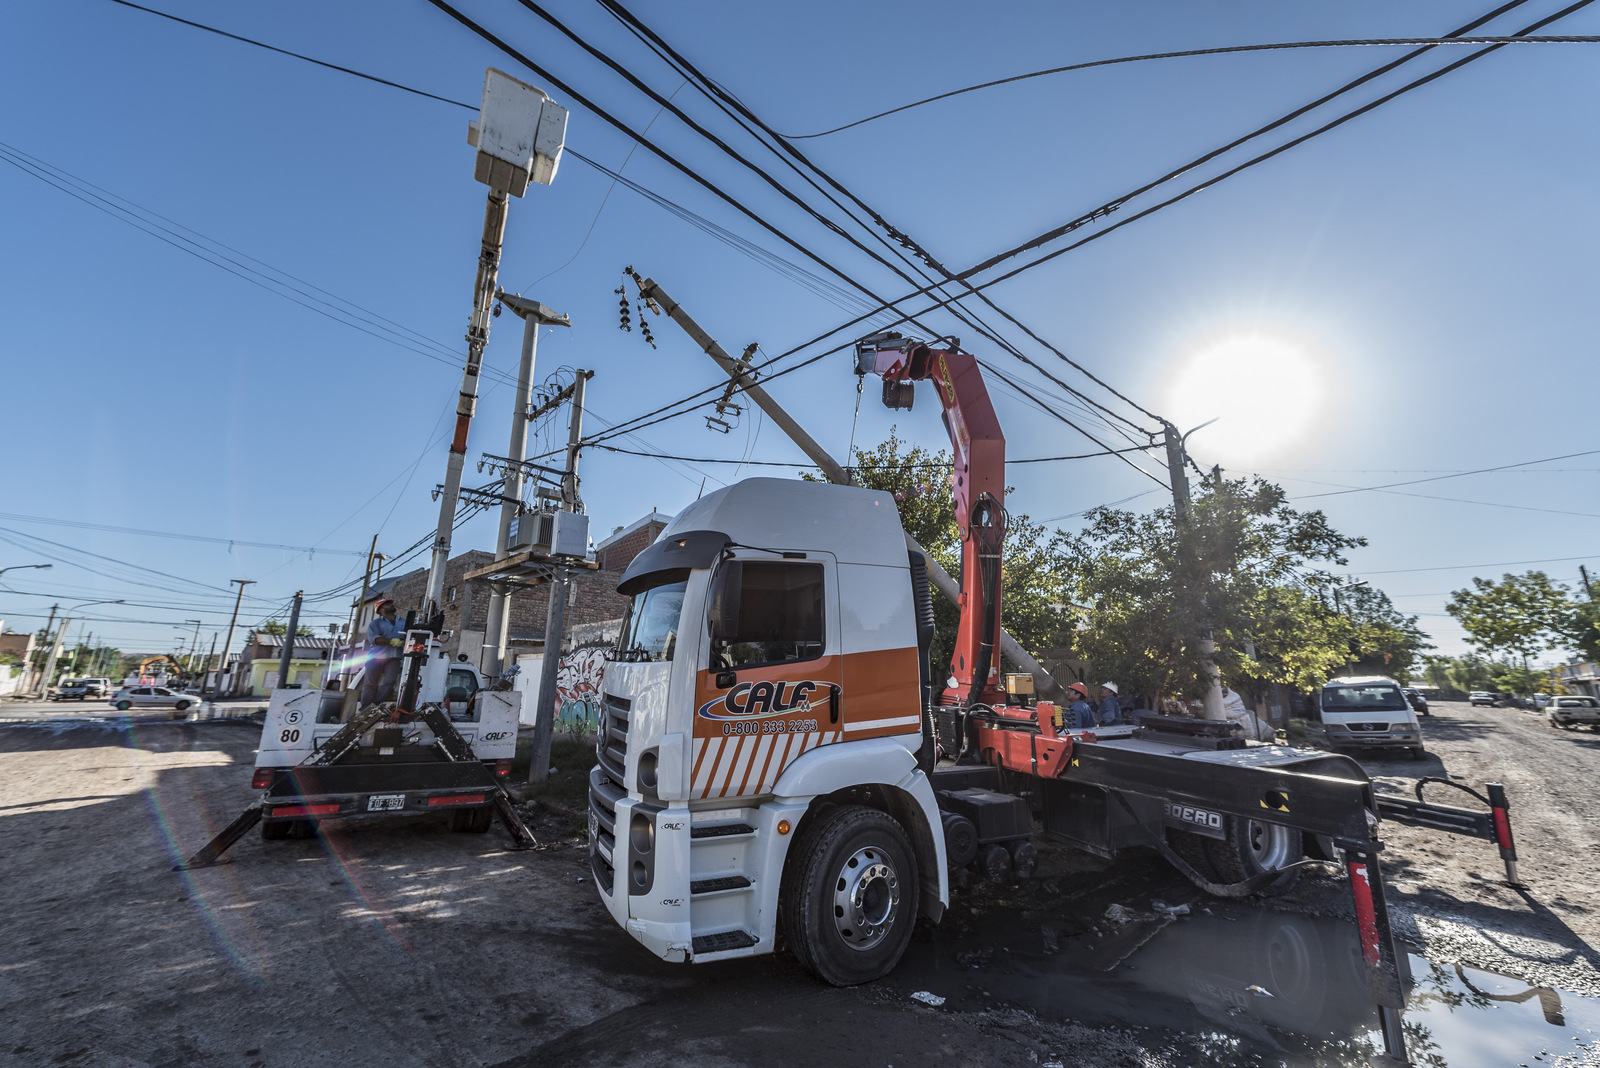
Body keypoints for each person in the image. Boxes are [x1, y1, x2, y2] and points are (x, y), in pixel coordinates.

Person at [361, 599, 406, 709]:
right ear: (380, 610)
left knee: (390, 681)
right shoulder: (375, 624)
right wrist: (392, 641)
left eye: (391, 603)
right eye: (387, 604)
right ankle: (365, 707)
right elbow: (375, 640)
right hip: (376, 657)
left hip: (394, 656)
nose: (391, 605)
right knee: (370, 683)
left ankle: (376, 705)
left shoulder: (403, 621)